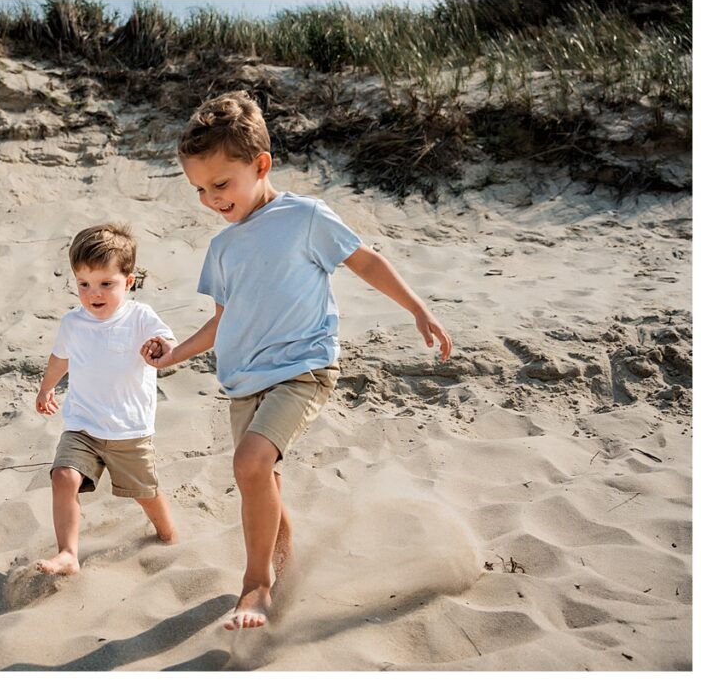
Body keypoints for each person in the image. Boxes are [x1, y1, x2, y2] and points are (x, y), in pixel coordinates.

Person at [141, 91, 452, 630]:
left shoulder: (303, 217)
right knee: (265, 483)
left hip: (303, 368)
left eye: (221, 184)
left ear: (261, 165)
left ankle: (255, 585)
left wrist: (418, 309)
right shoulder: (223, 248)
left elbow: (365, 262)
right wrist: (174, 355)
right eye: (199, 190)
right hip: (244, 380)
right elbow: (224, 320)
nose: (212, 199)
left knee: (250, 465)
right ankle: (283, 577)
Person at [34, 223, 178, 576]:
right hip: (83, 425)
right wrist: (45, 388)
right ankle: (68, 553)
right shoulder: (73, 323)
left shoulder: (140, 317)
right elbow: (61, 359)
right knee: (63, 476)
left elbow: (170, 345)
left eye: (105, 284)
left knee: (144, 492)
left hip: (129, 429)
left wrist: (162, 348)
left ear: (128, 282)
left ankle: (170, 535)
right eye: (84, 284)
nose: (93, 293)